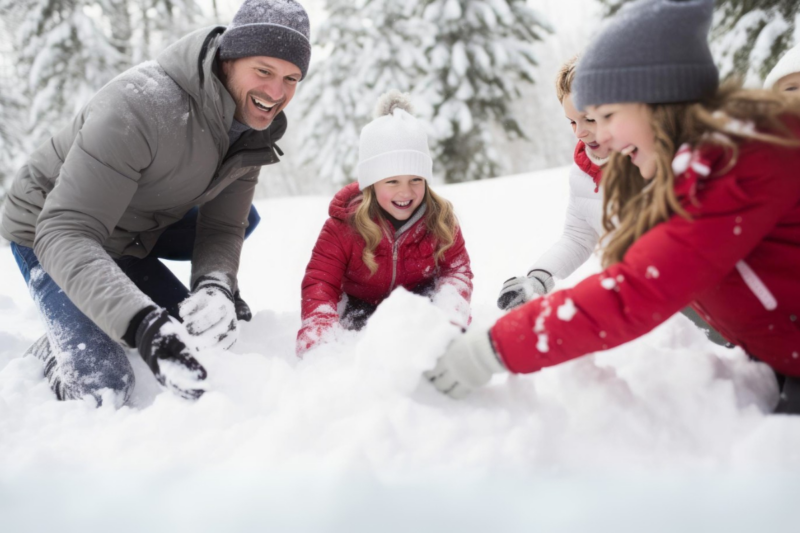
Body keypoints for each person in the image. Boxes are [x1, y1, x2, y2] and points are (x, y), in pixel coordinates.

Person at [425, 0, 800, 414]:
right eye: (584, 120)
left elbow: (636, 292)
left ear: (657, 101)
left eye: (606, 115)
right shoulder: (689, 168)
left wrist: (490, 350)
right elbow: (595, 245)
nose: (600, 135)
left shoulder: (739, 163)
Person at [2, 0, 312, 406]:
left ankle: (107, 300)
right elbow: (65, 230)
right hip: (48, 227)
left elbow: (223, 227)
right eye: (264, 71)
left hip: (128, 233)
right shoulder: (139, 107)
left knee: (192, 326)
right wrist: (142, 324)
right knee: (102, 387)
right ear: (228, 59)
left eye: (291, 78)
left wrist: (216, 286)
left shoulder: (251, 132)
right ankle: (58, 344)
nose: (276, 93)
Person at [297, 91, 473, 355]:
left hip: (417, 307)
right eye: (392, 181)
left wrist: (449, 319)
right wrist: (318, 335)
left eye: (416, 179)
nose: (406, 192)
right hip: (359, 307)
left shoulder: (440, 221)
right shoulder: (342, 226)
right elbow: (320, 283)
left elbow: (456, 273)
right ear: (371, 183)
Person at [497, 55, 610, 311]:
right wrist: (538, 279)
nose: (579, 132)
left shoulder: (650, 160)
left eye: (589, 119)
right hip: (637, 294)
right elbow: (578, 238)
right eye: (572, 121)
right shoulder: (582, 175)